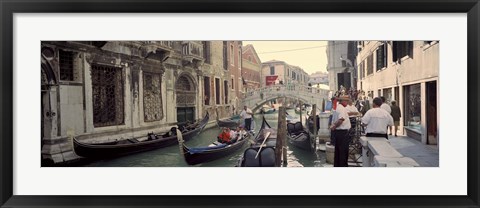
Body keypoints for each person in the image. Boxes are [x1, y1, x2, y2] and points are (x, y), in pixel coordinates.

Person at [330, 95, 352, 167]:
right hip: (342, 133)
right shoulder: (341, 108)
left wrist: (334, 126)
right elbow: (341, 120)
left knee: (339, 152)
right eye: (346, 101)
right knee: (343, 152)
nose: (347, 102)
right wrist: (334, 126)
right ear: (342, 101)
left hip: (339, 133)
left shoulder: (339, 108)